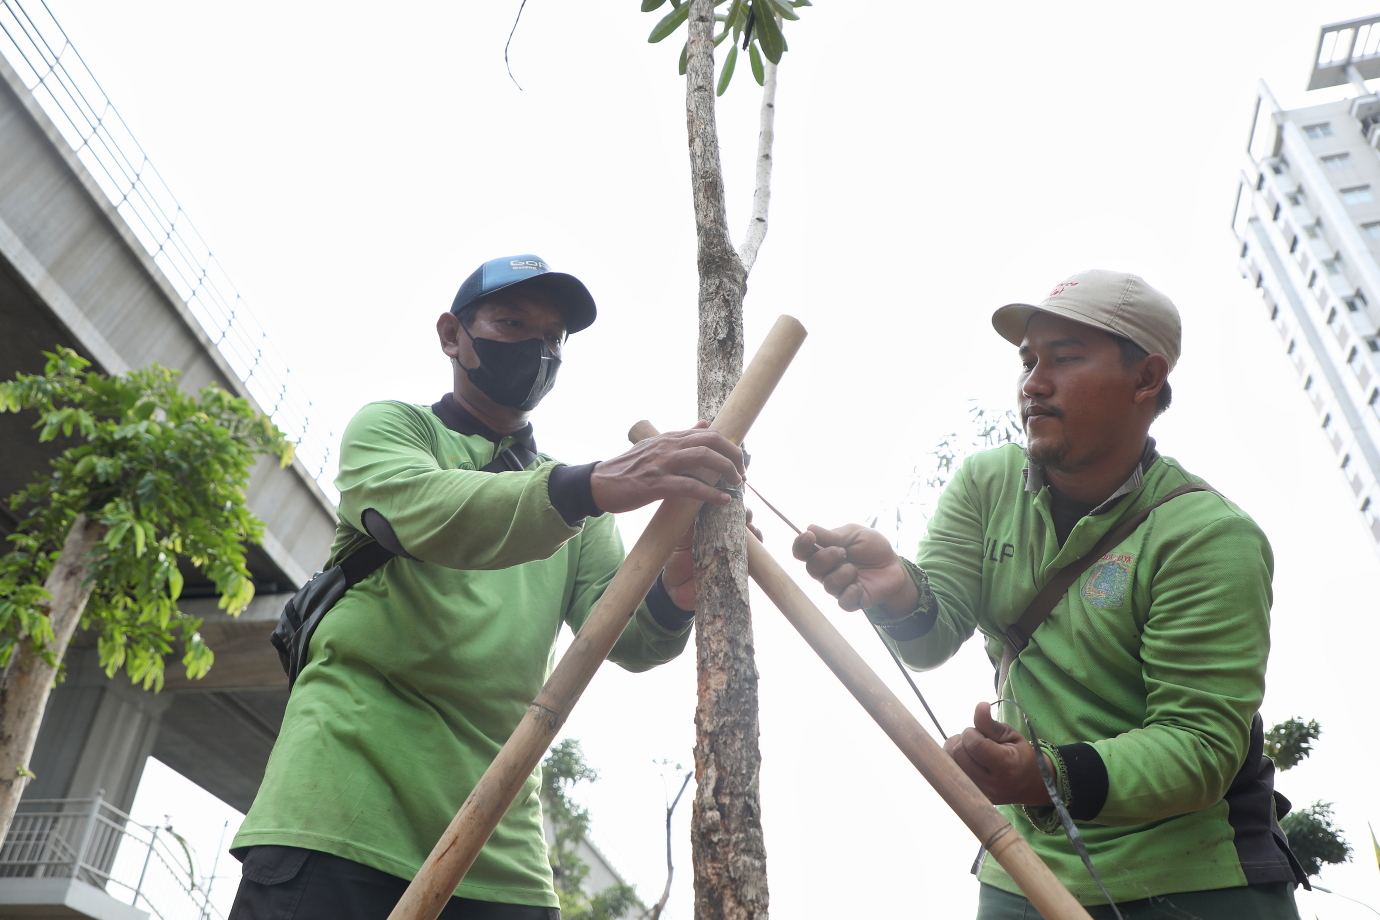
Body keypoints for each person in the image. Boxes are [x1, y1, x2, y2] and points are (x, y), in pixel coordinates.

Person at [229, 254, 748, 920]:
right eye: (511, 322)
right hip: (338, 817)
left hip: (497, 858)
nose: (538, 348)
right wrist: (589, 486)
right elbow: (438, 513)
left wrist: (678, 582)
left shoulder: (578, 505)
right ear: (452, 336)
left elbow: (631, 639)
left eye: (554, 337)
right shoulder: (395, 430)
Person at [792, 270, 1306, 919]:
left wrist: (1046, 775)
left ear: (1146, 378)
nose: (1033, 382)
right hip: (1025, 874)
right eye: (1029, 360)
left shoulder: (1207, 536)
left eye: (1063, 359)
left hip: (1200, 881)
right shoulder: (986, 484)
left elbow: (1200, 747)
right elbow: (932, 632)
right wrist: (898, 592)